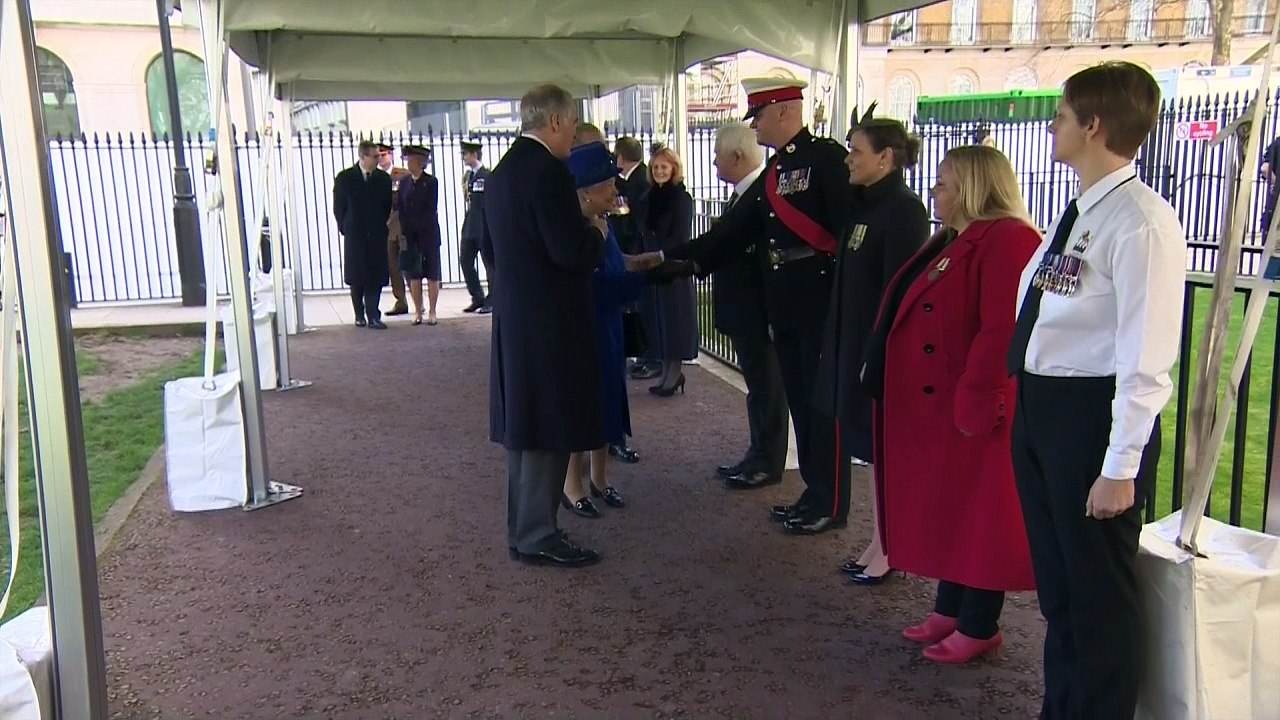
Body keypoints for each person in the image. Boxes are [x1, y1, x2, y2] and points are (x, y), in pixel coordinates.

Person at [1007, 61, 1185, 718]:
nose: (1052, 125)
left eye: (1060, 114)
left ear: (1094, 124)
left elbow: (1146, 357)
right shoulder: (1081, 211)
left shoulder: (1140, 222)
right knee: (1061, 594)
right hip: (1044, 411)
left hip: (1091, 420)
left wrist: (1120, 467)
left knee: (1098, 597)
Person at [637, 78, 852, 537]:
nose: (754, 128)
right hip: (786, 303)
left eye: (759, 117)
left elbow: (845, 235)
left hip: (817, 300)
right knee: (799, 400)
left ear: (783, 112)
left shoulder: (827, 160)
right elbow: (731, 233)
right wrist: (674, 262)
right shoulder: (774, 174)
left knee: (821, 408)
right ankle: (815, 491)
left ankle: (831, 501)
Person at [862, 145, 1041, 663]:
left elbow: (1000, 327)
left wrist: (978, 396)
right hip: (947, 404)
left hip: (978, 403)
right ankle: (951, 607)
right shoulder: (956, 237)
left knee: (981, 517)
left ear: (971, 185)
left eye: (943, 182)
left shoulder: (1007, 238)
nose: (935, 191)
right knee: (955, 508)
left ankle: (980, 623)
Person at [482, 84, 610, 568]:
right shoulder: (550, 174)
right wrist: (595, 232)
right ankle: (538, 533)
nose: (575, 133)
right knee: (548, 426)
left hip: (516, 316)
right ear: (554, 122)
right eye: (573, 124)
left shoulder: (501, 173)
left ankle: (524, 528)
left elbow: (492, 250)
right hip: (551, 321)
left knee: (524, 427)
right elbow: (567, 252)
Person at [811, 114, 930, 581]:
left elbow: (898, 290)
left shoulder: (903, 210)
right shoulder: (864, 207)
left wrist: (875, 353)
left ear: (885, 158)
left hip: (874, 350)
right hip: (850, 342)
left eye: (857, 152)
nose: (848, 160)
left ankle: (890, 548)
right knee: (869, 450)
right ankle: (880, 540)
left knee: (884, 454)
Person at [560, 139, 646, 517]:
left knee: (608, 400)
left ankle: (599, 478)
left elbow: (614, 267)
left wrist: (640, 265)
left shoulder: (603, 223)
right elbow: (594, 281)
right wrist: (645, 278)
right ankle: (571, 484)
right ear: (585, 192)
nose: (615, 190)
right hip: (584, 329)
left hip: (607, 325)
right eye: (608, 184)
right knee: (582, 406)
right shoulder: (576, 232)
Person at [708, 123, 788, 489]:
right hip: (746, 311)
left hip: (758, 312)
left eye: (717, 154)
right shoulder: (747, 193)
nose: (713, 161)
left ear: (737, 156)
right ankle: (757, 453)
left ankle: (767, 461)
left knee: (768, 388)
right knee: (757, 387)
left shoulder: (761, 195)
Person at [640, 147, 698, 396]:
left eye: (664, 167)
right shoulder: (648, 197)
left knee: (675, 323)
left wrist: (661, 254)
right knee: (658, 324)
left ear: (674, 169)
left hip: (672, 267)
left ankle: (674, 373)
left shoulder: (681, 199)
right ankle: (666, 371)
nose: (660, 171)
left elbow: (681, 236)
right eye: (655, 167)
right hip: (650, 268)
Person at [333, 140, 393, 329]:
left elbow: (386, 206)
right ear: (363, 156)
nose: (378, 160)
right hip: (355, 233)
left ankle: (373, 315)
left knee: (374, 275)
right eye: (374, 156)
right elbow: (339, 206)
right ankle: (359, 314)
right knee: (357, 275)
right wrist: (345, 226)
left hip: (375, 232)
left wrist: (380, 225)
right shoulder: (345, 177)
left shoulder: (383, 179)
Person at [396, 145, 443, 326]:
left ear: (420, 162)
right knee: (414, 274)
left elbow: (430, 209)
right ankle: (417, 311)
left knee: (432, 273)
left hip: (428, 234)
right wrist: (406, 230)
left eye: (412, 160)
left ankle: (432, 311)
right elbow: (401, 208)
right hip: (410, 235)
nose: (409, 164)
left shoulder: (431, 182)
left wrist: (419, 227)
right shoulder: (405, 182)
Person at [459, 139, 494, 314]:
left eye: (466, 154)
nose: (464, 157)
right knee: (465, 260)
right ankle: (477, 296)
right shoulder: (468, 176)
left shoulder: (487, 176)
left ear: (474, 154)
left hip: (484, 224)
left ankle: (492, 299)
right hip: (470, 224)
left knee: (489, 264)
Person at [377, 143, 411, 316]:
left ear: (390, 155)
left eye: (383, 155)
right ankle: (400, 300)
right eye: (378, 155)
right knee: (393, 266)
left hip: (401, 224)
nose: (380, 159)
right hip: (385, 226)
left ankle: (417, 300)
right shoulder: (375, 177)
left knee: (407, 264)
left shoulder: (402, 175)